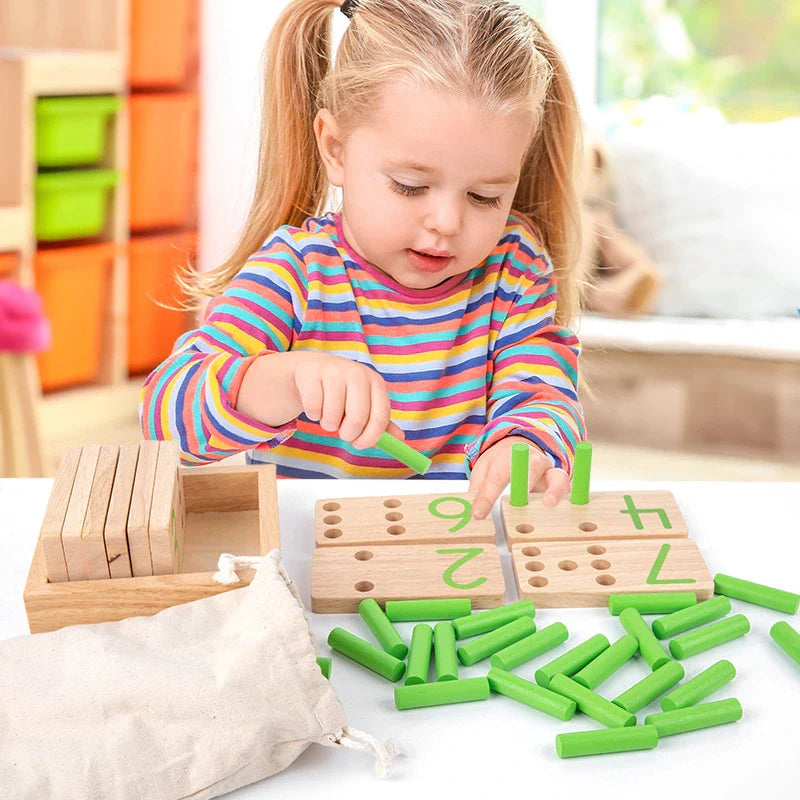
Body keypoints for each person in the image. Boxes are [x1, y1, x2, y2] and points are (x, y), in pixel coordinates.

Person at [140, 0, 586, 520]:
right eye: (410, 185)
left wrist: (529, 443)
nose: (447, 222)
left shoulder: (515, 273)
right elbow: (165, 418)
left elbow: (542, 393)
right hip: (315, 562)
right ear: (335, 148)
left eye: (485, 196)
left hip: (457, 560)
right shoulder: (293, 274)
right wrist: (286, 379)